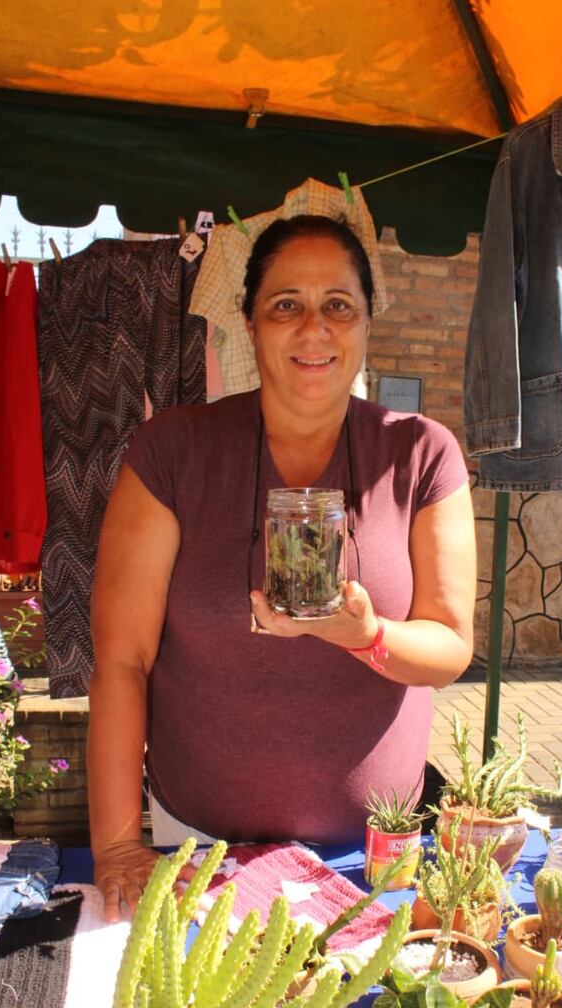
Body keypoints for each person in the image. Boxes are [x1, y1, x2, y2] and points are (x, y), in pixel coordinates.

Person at [88, 215, 477, 920]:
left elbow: (450, 647)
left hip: (374, 862)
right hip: (197, 854)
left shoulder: (422, 453)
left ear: (365, 321)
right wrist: (117, 846)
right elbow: (121, 660)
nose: (314, 328)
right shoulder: (174, 451)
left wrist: (363, 635)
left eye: (338, 305)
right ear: (250, 322)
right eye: (286, 305)